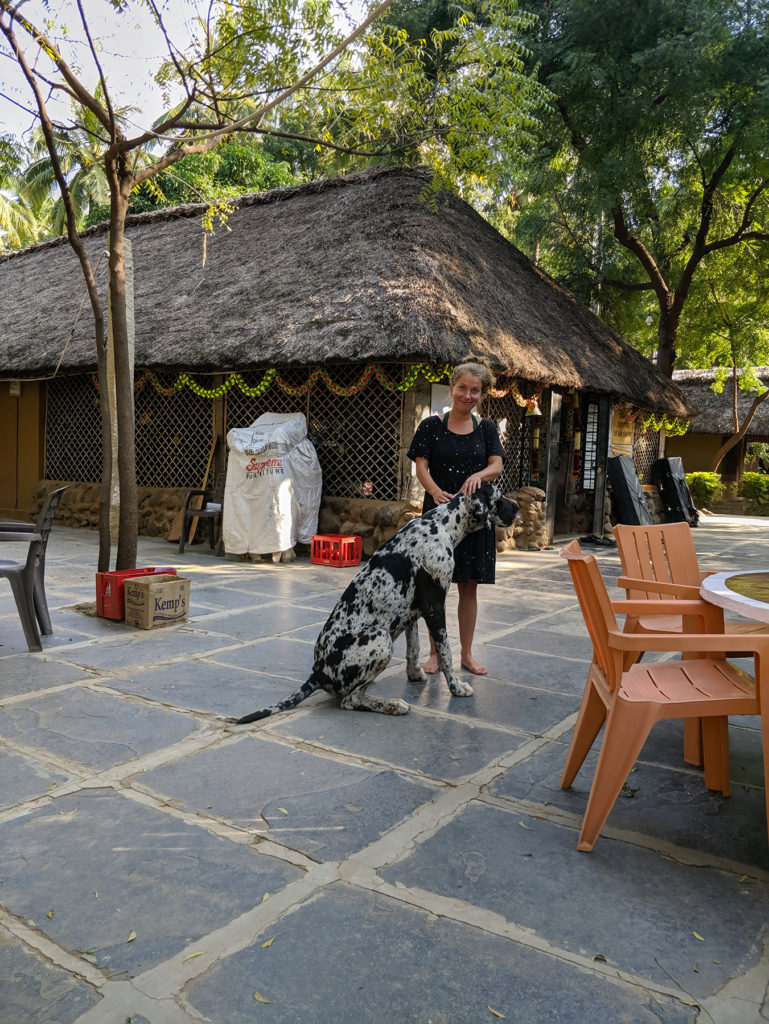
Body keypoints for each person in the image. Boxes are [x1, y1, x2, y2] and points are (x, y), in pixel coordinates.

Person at [407, 360, 504, 676]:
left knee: (469, 587)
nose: (468, 395)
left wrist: (480, 474)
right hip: (438, 517)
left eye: (475, 390)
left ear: (481, 394)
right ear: (451, 389)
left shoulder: (486, 429)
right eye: (462, 388)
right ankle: (435, 655)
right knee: (434, 588)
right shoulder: (431, 427)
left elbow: (497, 465)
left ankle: (466, 654)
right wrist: (434, 491)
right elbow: (421, 465)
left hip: (473, 519)